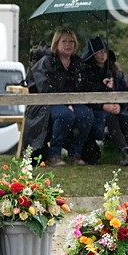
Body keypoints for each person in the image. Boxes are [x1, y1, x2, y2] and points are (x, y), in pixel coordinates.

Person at [30, 28, 93, 166]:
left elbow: (84, 87)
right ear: (56, 44)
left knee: (87, 115)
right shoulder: (47, 61)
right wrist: (65, 103)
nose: (68, 45)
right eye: (64, 41)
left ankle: (75, 154)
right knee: (65, 115)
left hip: (74, 103)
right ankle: (54, 155)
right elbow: (45, 88)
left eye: (71, 42)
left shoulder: (78, 63)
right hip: (48, 104)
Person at [82, 36, 128, 165]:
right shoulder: (87, 73)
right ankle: (124, 151)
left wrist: (119, 104)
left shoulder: (115, 72)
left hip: (118, 109)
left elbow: (123, 92)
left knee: (124, 118)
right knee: (110, 118)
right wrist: (103, 104)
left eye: (104, 51)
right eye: (98, 52)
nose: (102, 55)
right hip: (98, 111)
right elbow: (87, 95)